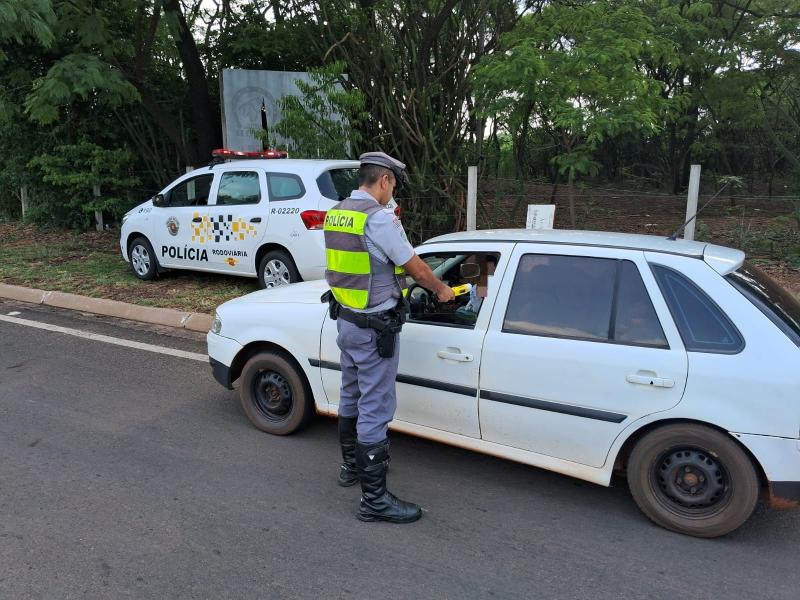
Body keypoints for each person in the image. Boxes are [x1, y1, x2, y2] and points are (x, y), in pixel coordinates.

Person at [323, 151, 455, 523]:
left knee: (351, 395)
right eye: (393, 185)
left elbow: (362, 263)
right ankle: (375, 501)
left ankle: (352, 468)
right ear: (384, 180)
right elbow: (415, 266)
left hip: (346, 321)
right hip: (373, 328)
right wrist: (442, 291)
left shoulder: (338, 212)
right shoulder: (378, 219)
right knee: (376, 408)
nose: (392, 193)